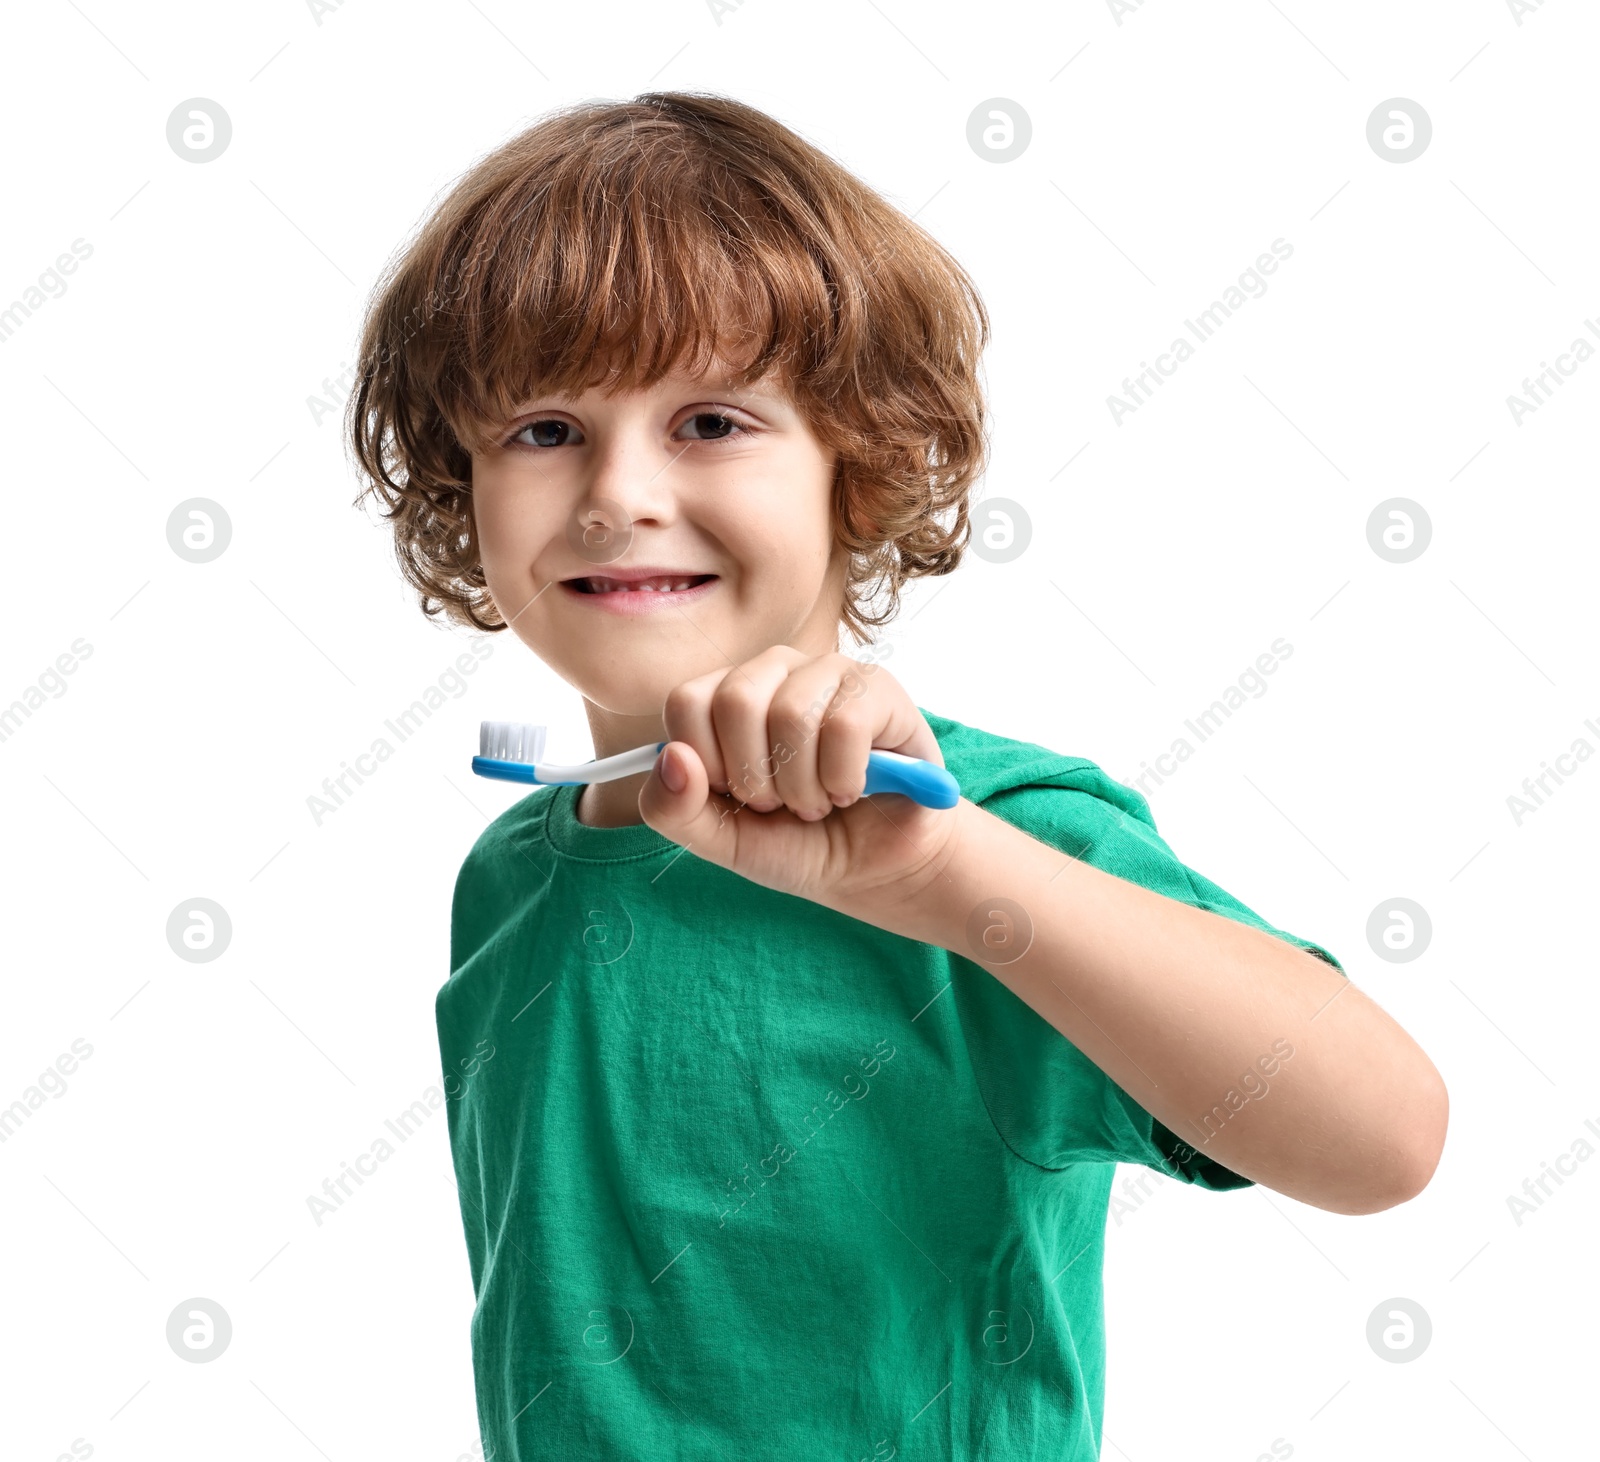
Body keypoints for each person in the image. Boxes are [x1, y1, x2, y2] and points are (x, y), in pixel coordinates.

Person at [347, 90, 1448, 1461]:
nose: (618, 489)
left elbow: (1386, 1137)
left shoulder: (989, 835)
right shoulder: (510, 874)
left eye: (711, 420)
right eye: (543, 428)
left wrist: (951, 875)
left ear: (854, 461)